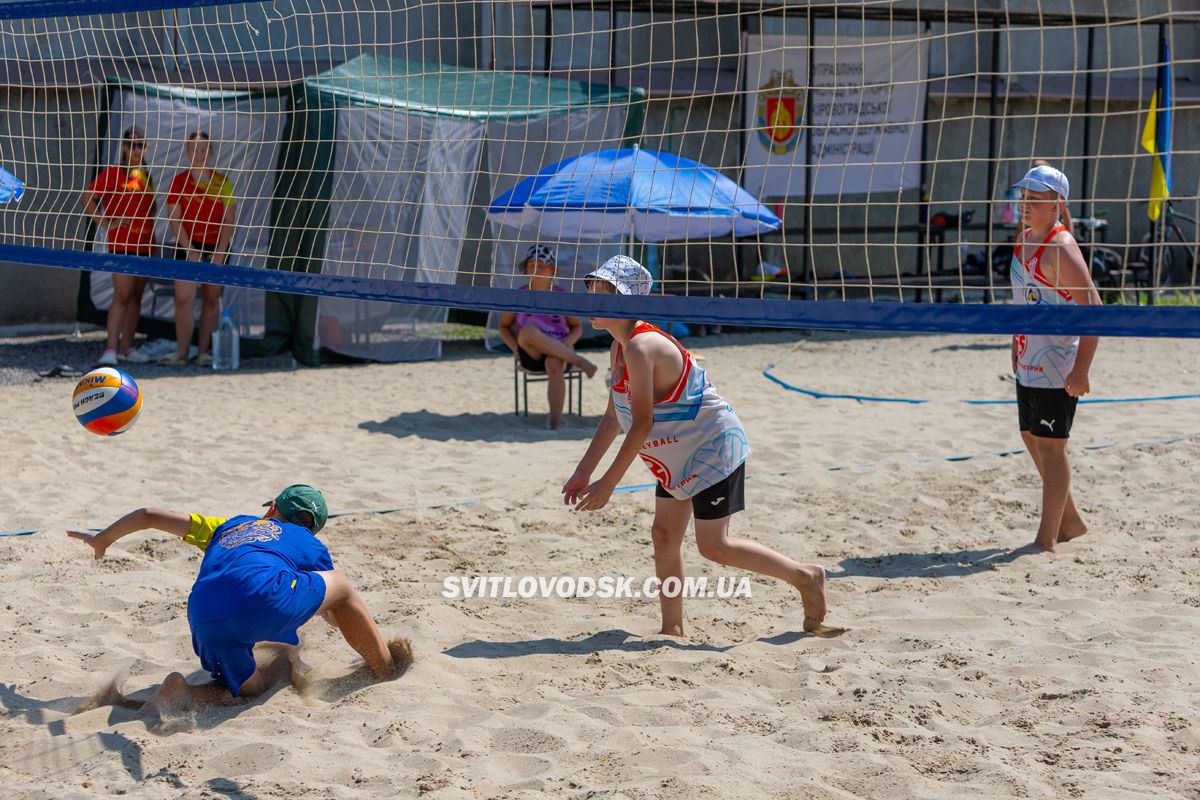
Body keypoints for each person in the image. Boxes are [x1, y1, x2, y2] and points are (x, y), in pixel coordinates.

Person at [562, 255, 829, 635]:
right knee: (664, 536)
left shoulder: (641, 347)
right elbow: (612, 419)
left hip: (711, 448)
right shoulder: (619, 348)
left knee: (714, 546)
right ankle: (672, 629)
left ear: (626, 300)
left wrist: (607, 484)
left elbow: (641, 424)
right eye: (590, 289)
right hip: (676, 456)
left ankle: (806, 577)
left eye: (600, 291)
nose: (590, 298)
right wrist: (584, 470)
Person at [67, 485, 404, 724]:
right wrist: (332, 612)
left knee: (247, 689)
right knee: (342, 586)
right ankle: (386, 668)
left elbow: (148, 514)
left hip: (202, 616)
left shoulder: (229, 525)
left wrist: (102, 539)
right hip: (264, 599)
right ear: (314, 529)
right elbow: (335, 608)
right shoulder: (308, 543)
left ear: (272, 507)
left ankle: (181, 693)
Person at [1009, 164, 1101, 555]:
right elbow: (1021, 302)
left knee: (1052, 445)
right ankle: (1071, 520)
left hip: (1058, 364)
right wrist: (1014, 345)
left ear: (1058, 204)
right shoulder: (1024, 239)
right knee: (1030, 436)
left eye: (1036, 197)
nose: (1026, 202)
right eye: (1024, 195)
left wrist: (1082, 370)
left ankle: (1046, 541)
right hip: (1028, 356)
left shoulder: (1061, 248)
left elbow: (1094, 310)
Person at [80, 125, 157, 367]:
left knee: (136, 298)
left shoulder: (146, 174)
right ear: (123, 148)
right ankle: (110, 349)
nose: (135, 149)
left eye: (140, 145)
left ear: (145, 148)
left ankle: (127, 347)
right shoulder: (114, 173)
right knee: (122, 296)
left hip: (145, 245)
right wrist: (106, 223)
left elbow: (151, 209)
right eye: (131, 144)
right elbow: (87, 197)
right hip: (122, 245)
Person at [498, 245, 598, 429]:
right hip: (530, 352)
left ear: (552, 270)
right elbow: (503, 326)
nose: (535, 269)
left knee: (554, 363)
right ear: (526, 268)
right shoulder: (518, 295)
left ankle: (555, 423)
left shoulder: (561, 295)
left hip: (560, 349)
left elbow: (576, 327)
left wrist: (568, 342)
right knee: (528, 330)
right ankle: (579, 361)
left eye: (541, 265)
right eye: (531, 265)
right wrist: (514, 348)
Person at [163, 130, 237, 366]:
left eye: (204, 149)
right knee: (183, 298)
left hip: (216, 247)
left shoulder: (222, 182)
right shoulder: (179, 181)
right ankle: (182, 352)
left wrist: (220, 252)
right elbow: (174, 219)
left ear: (211, 152)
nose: (199, 153)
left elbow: (228, 220)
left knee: (211, 298)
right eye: (194, 149)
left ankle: (204, 352)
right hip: (187, 245)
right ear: (187, 152)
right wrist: (190, 250)